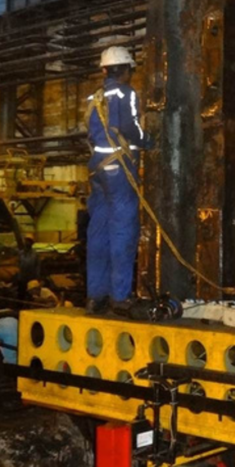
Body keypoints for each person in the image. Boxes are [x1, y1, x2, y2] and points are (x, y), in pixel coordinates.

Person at [86, 45, 153, 316]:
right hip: (118, 167)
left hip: (97, 169)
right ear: (125, 70)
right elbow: (130, 128)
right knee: (123, 229)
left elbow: (92, 132)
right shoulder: (126, 93)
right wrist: (148, 141)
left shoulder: (95, 97)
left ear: (104, 70)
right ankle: (120, 297)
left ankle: (96, 297)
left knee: (98, 231)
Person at [16, 236, 40, 301]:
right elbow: (18, 264)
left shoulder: (35, 254)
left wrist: (37, 278)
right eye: (26, 241)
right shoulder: (21, 253)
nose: (27, 243)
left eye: (29, 241)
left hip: (31, 278)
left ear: (32, 243)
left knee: (30, 295)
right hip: (22, 278)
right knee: (21, 294)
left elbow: (37, 266)